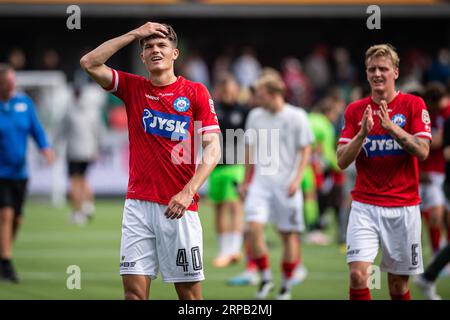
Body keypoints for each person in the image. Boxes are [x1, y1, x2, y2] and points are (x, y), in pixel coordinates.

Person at [80, 22, 221, 300]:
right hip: (137, 206)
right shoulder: (133, 88)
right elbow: (89, 63)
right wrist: (134, 34)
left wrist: (188, 191)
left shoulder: (195, 92)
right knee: (133, 295)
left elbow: (214, 148)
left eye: (162, 45)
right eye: (148, 47)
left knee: (189, 297)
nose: (155, 50)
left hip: (179, 206)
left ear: (175, 54)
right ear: (142, 57)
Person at [337, 44, 432, 300]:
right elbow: (342, 161)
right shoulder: (355, 110)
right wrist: (361, 134)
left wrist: (392, 129)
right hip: (365, 206)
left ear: (396, 72)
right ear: (366, 74)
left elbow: (423, 151)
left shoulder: (413, 104)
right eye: (372, 69)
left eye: (383, 68)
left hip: (403, 207)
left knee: (398, 287)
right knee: (358, 275)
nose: (377, 74)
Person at [241, 73, 313, 300]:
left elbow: (305, 150)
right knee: (253, 228)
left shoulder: (297, 116)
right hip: (260, 184)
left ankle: (285, 287)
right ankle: (265, 278)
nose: (257, 100)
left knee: (288, 235)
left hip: (286, 186)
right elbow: (249, 149)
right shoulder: (255, 115)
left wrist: (296, 179)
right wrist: (246, 180)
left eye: (261, 96)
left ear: (274, 95)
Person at [0, 63, 54, 282]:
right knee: (6, 214)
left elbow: (36, 129)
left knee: (17, 219)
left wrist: (45, 148)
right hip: (1, 173)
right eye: (8, 81)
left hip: (20, 173)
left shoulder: (24, 102)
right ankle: (6, 263)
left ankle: (3, 253)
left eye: (14, 80)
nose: (13, 85)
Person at [209, 74, 248, 268]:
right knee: (219, 208)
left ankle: (234, 250)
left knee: (235, 205)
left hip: (236, 166)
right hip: (215, 167)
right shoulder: (213, 109)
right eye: (225, 89)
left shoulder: (243, 111)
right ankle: (224, 251)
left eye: (232, 89)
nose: (229, 93)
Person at [54, 83, 107, 224]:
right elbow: (99, 131)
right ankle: (88, 205)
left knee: (75, 182)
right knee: (84, 179)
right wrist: (98, 148)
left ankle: (78, 213)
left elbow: (60, 131)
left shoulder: (69, 110)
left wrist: (55, 147)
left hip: (74, 151)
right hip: (89, 151)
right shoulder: (93, 110)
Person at [414, 112, 450, 300]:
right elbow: (444, 150)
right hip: (439, 178)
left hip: (437, 178)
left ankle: (429, 274)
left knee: (436, 216)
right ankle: (426, 268)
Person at [418, 83, 450, 255]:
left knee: (440, 214)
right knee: (430, 214)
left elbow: (435, 141)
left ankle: (441, 256)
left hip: (441, 172)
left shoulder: (447, 113)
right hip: (425, 170)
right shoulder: (432, 113)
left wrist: (421, 140)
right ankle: (437, 254)